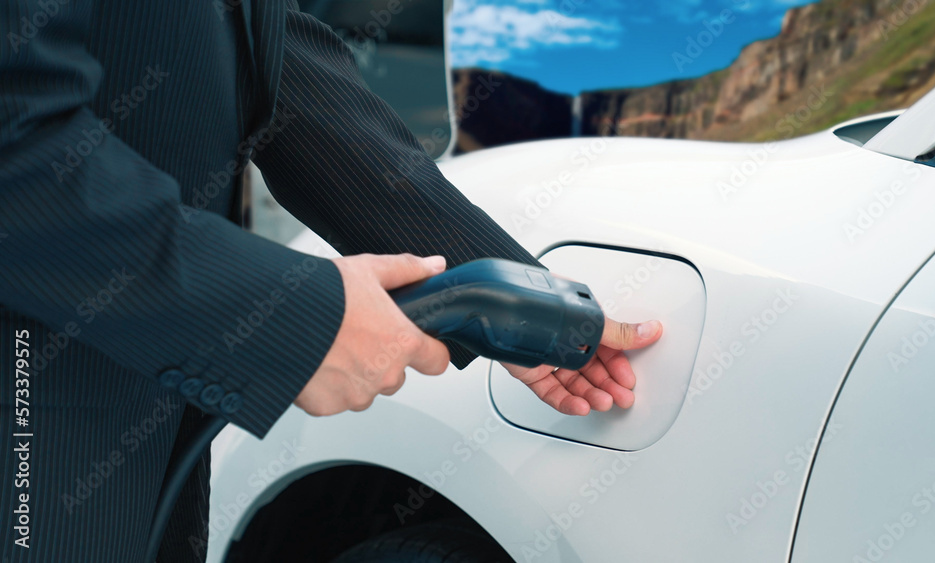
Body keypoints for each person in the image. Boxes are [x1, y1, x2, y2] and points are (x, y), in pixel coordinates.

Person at [0, 0, 662, 561]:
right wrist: (292, 319)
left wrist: (512, 295)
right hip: (36, 426)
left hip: (137, 423)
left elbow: (276, 63)